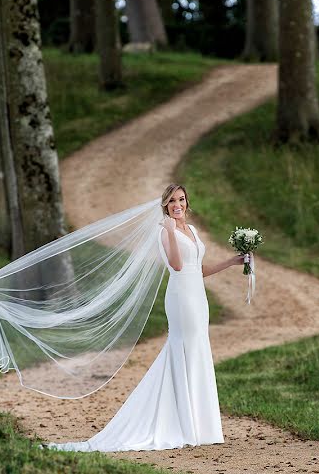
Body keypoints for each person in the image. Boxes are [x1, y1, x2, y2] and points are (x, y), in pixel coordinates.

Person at [49, 184, 245, 451]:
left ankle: (201, 425)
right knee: (183, 348)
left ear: (187, 202)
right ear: (165, 205)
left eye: (182, 199)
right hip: (181, 298)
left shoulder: (193, 231)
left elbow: (198, 269)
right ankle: (181, 423)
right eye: (172, 201)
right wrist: (170, 231)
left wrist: (232, 262)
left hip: (198, 298)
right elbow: (177, 265)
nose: (178, 204)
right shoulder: (165, 232)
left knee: (198, 349)